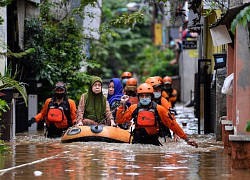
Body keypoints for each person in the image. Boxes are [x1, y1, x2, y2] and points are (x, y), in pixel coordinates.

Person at [116, 83, 198, 147]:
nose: (144, 98)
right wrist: (122, 105)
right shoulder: (133, 108)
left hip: (153, 141)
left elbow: (172, 124)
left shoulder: (159, 109)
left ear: (151, 96)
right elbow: (120, 120)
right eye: (142, 96)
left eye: (147, 95)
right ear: (139, 97)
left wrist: (186, 139)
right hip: (138, 141)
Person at [145, 77, 178, 141]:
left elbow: (171, 118)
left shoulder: (163, 101)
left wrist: (175, 132)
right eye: (155, 89)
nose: (158, 91)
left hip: (161, 130)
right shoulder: (141, 101)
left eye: (159, 89)